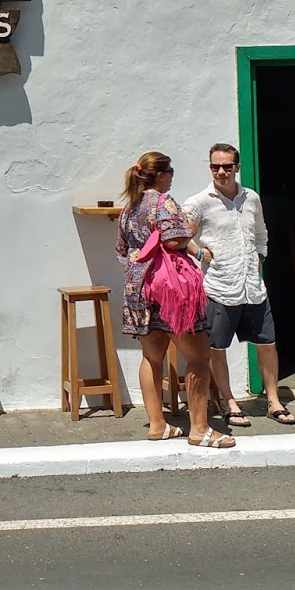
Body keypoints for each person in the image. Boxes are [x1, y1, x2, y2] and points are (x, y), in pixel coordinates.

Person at [116, 151, 234, 448]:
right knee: (198, 357)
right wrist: (188, 239)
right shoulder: (163, 201)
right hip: (171, 290)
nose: (172, 177)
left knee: (151, 357)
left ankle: (158, 425)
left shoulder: (129, 207)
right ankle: (199, 429)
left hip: (139, 288)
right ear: (160, 175)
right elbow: (173, 239)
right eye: (170, 172)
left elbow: (120, 249)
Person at [185, 143, 295, 426]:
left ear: (237, 167)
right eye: (215, 166)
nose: (221, 171)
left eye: (226, 166)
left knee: (267, 343)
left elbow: (261, 233)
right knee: (217, 347)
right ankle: (229, 401)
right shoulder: (200, 202)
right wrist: (198, 252)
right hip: (219, 285)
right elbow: (177, 234)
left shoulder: (252, 198)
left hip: (252, 285)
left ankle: (273, 400)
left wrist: (259, 257)